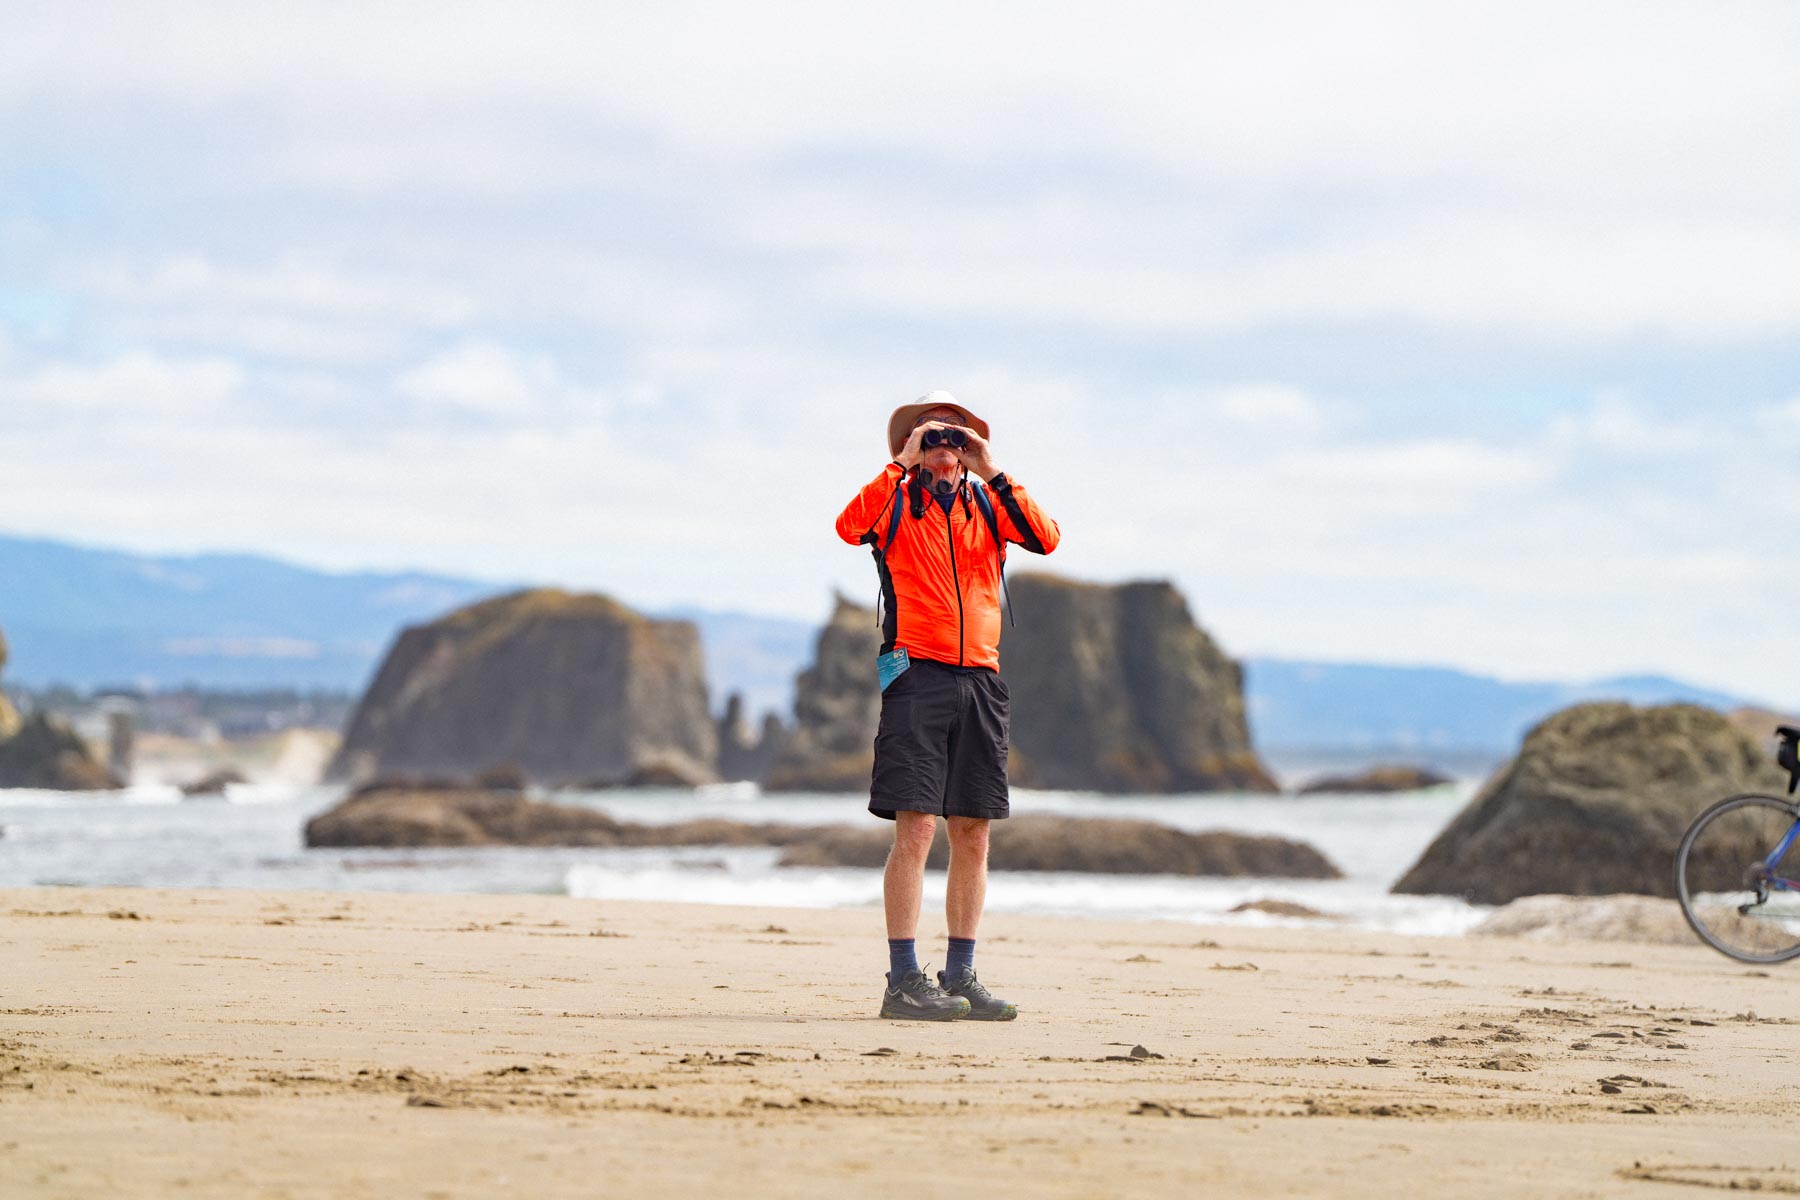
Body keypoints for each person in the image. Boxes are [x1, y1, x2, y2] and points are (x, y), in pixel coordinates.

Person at [834, 392, 1061, 1020]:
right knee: (918, 828)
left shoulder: (989, 505)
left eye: (955, 438)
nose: (945, 448)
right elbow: (849, 526)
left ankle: (961, 975)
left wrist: (992, 468)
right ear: (912, 445)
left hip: (981, 679)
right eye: (934, 437)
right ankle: (904, 979)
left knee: (974, 832)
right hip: (917, 674)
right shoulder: (896, 503)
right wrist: (900, 465)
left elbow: (1046, 539)